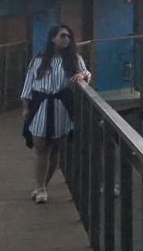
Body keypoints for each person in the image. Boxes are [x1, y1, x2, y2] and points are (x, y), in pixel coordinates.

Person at [20, 24, 92, 204]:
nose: (66, 39)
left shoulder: (74, 59)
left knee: (55, 148)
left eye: (69, 36)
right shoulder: (38, 60)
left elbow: (85, 73)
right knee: (40, 146)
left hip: (61, 106)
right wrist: (25, 107)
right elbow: (29, 83)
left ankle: (43, 184)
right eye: (62, 36)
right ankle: (41, 187)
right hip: (41, 104)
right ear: (53, 38)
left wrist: (83, 77)